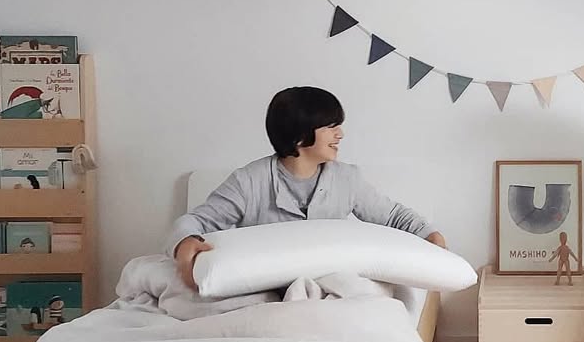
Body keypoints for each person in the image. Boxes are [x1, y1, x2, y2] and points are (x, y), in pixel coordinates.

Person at [167, 85, 446, 289]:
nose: (340, 134)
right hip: (265, 289)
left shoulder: (347, 179)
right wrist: (185, 241)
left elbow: (392, 215)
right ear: (300, 136)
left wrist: (429, 234)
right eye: (331, 126)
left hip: (327, 285)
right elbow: (196, 222)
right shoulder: (249, 182)